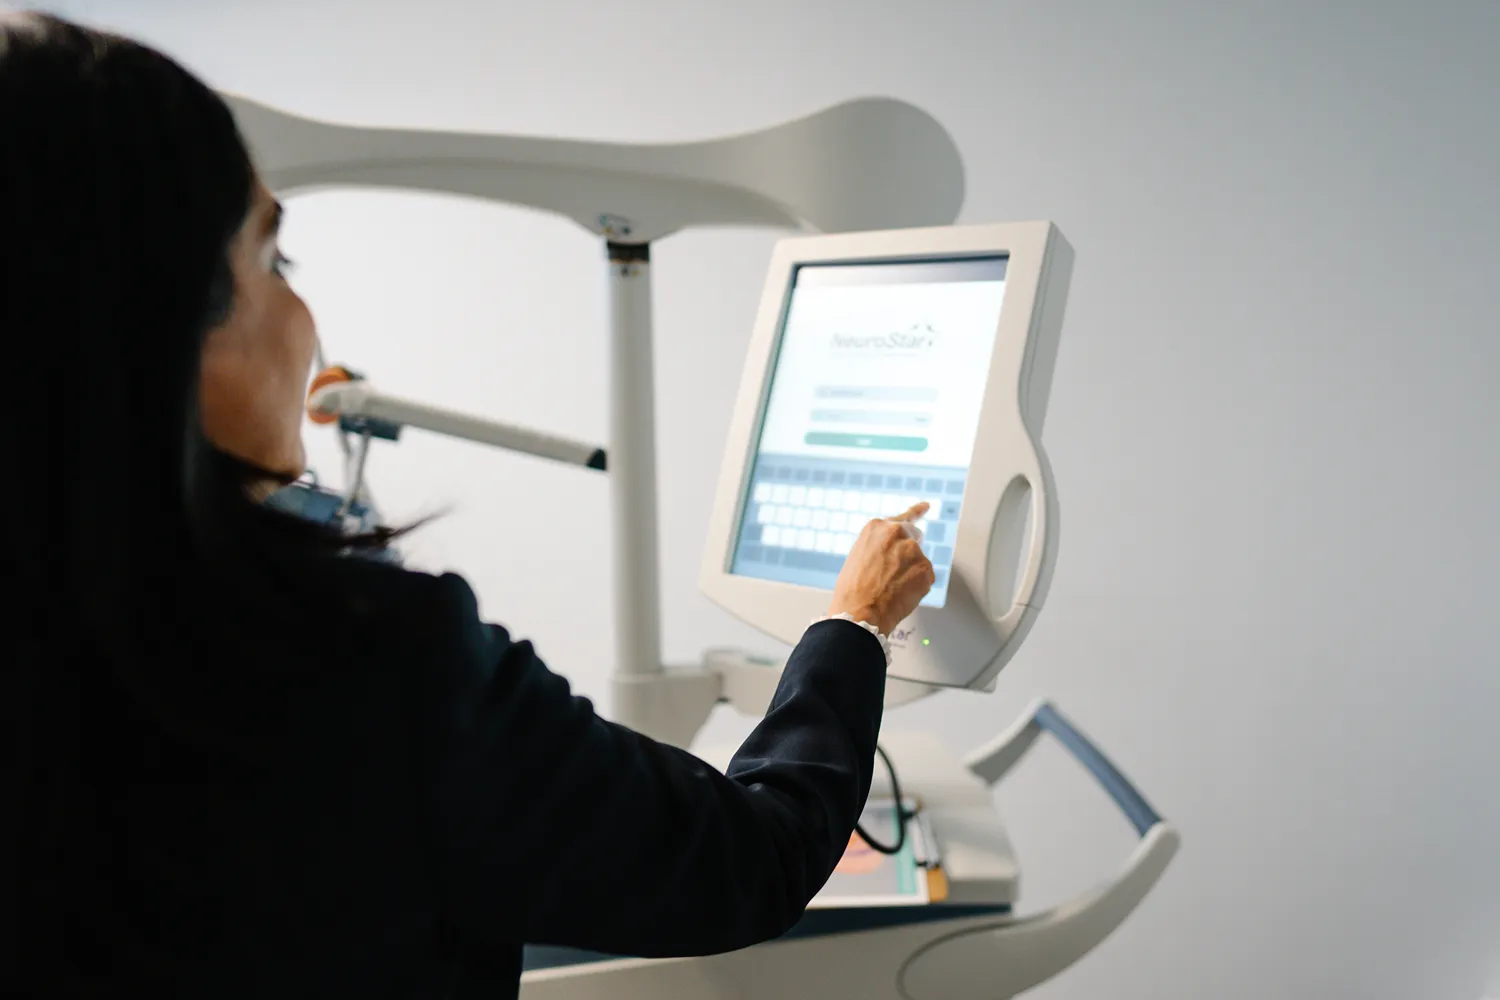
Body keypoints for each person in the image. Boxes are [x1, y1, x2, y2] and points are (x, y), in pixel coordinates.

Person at [1, 11, 936, 998]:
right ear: (155, 320)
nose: (306, 321)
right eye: (275, 261)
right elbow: (747, 857)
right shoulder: (376, 669)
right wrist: (855, 620)